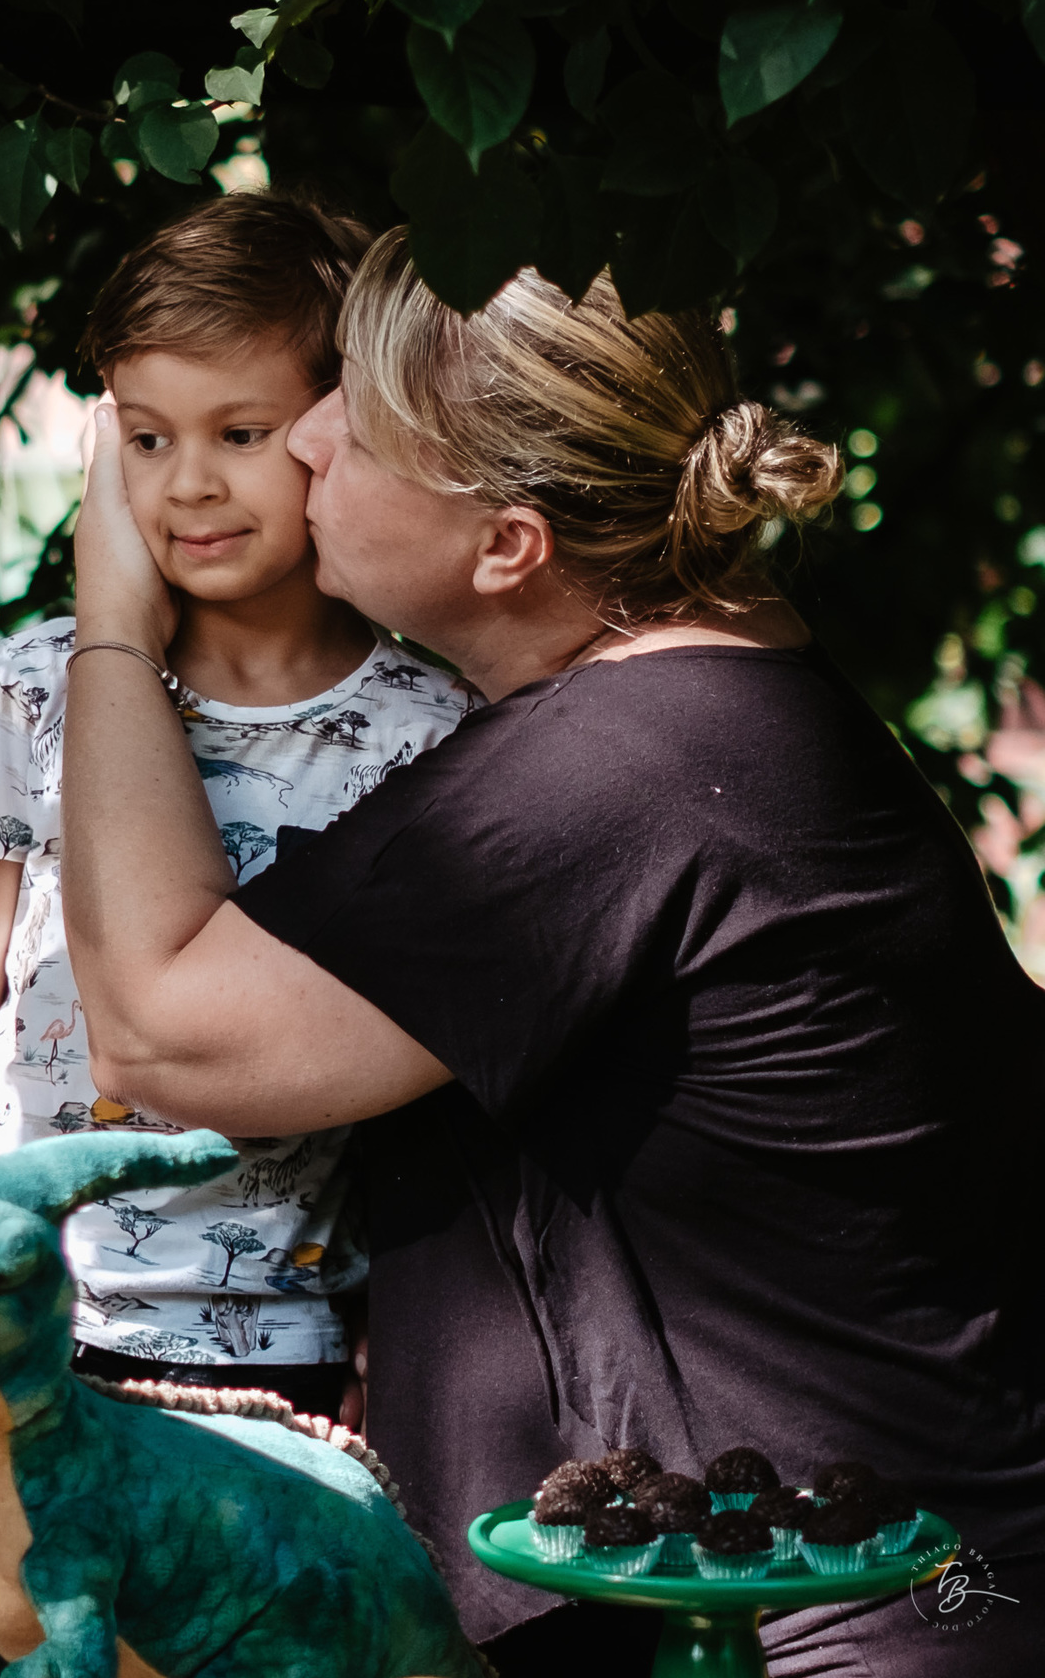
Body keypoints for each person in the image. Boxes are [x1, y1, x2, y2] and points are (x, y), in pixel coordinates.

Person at [59, 233, 1045, 1676]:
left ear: (508, 543)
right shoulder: (724, 706)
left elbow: (160, 1031)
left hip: (826, 1621)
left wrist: (107, 628)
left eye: (358, 418)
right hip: (880, 1584)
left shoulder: (618, 773)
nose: (311, 441)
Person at [0, 197, 473, 1420]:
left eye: (239, 432)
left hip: (271, 1352)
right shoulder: (38, 681)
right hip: (12, 1308)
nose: (189, 484)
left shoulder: (434, 730)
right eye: (146, 440)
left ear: (337, 429)